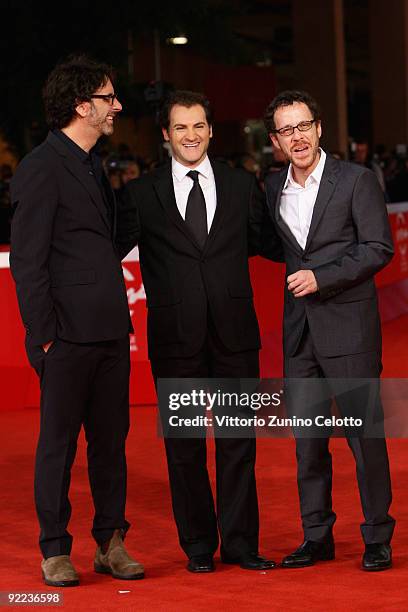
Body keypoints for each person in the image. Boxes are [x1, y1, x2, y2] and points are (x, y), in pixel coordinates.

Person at [117, 90, 279, 574]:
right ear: (166, 135)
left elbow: (269, 241)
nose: (191, 135)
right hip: (175, 340)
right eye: (180, 127)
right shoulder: (140, 195)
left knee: (238, 445)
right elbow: (102, 249)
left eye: (199, 126)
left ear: (210, 130)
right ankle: (198, 547)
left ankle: (241, 544)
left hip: (234, 337)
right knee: (184, 451)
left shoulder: (240, 185)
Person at [10, 55, 144, 587]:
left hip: (111, 329)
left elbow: (101, 244)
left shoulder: (94, 163)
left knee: (111, 444)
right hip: (64, 336)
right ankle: (54, 550)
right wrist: (43, 337)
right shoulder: (40, 168)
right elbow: (29, 260)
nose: (117, 106)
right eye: (109, 98)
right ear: (81, 105)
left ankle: (111, 542)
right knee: (58, 446)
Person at [263, 90, 395, 572]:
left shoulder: (356, 180)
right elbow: (279, 246)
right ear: (275, 140)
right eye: (285, 130)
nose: (296, 137)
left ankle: (377, 536)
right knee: (308, 445)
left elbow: (379, 247)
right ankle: (316, 536)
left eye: (303, 126)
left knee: (365, 439)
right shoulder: (273, 187)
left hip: (350, 330)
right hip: (299, 335)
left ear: (318, 128)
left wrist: (323, 277)